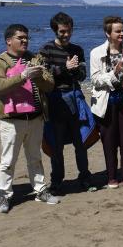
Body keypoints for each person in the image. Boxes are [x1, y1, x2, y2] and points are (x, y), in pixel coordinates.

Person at [0, 24, 61, 213]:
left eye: (26, 38)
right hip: (11, 120)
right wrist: (23, 76)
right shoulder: (0, 62)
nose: (24, 41)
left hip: (35, 117)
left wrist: (37, 77)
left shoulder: (35, 59)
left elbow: (50, 85)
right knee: (8, 161)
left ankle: (40, 190)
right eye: (20, 38)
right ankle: (3, 196)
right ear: (9, 41)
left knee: (35, 157)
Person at [39, 12, 92, 194]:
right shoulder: (46, 49)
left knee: (81, 142)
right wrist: (64, 68)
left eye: (68, 31)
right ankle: (57, 180)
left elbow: (83, 76)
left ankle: (84, 177)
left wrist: (75, 69)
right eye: (62, 32)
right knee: (56, 144)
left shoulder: (77, 50)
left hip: (75, 98)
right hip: (56, 100)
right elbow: (43, 75)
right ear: (55, 30)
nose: (66, 35)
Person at [89, 16, 123, 189]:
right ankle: (111, 176)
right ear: (108, 33)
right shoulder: (96, 53)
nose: (122, 34)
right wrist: (114, 73)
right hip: (106, 102)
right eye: (118, 31)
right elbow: (95, 80)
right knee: (109, 141)